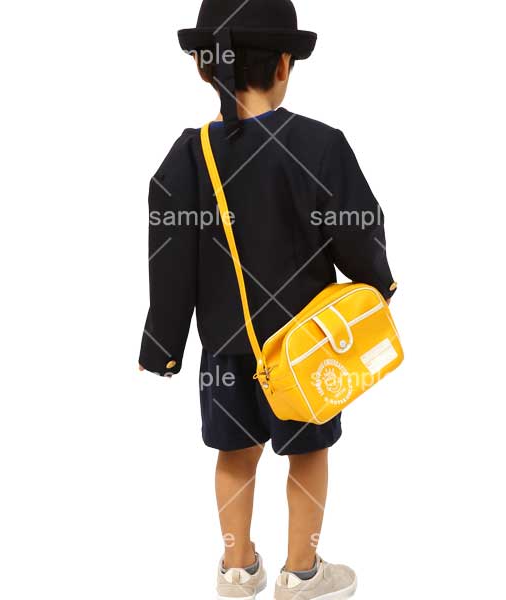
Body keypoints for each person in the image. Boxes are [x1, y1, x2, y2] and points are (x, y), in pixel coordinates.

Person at [139, 1, 398, 598]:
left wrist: (162, 346)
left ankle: (237, 567)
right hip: (306, 348)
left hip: (226, 350)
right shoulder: (320, 145)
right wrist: (377, 283)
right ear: (284, 65)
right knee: (308, 454)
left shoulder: (186, 156)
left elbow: (168, 262)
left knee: (234, 454)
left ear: (204, 68)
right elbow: (358, 229)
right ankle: (302, 572)